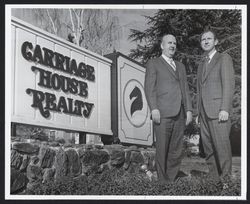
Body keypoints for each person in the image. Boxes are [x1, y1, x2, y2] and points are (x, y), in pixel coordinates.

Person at [144, 34, 192, 183]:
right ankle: (162, 182)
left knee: (176, 149)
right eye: (169, 43)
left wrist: (189, 110)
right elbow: (149, 88)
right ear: (162, 46)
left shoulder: (181, 66)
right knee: (163, 147)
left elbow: (185, 89)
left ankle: (171, 180)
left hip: (180, 114)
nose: (172, 45)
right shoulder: (154, 63)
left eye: (174, 43)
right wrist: (154, 108)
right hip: (162, 113)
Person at [196, 30, 235, 182]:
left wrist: (224, 108)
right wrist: (198, 113)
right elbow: (199, 90)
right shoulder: (201, 65)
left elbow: (228, 84)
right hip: (204, 114)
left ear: (216, 41)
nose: (205, 41)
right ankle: (214, 181)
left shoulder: (223, 58)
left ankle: (226, 183)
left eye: (209, 39)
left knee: (222, 148)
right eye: (203, 39)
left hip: (219, 112)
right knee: (208, 148)